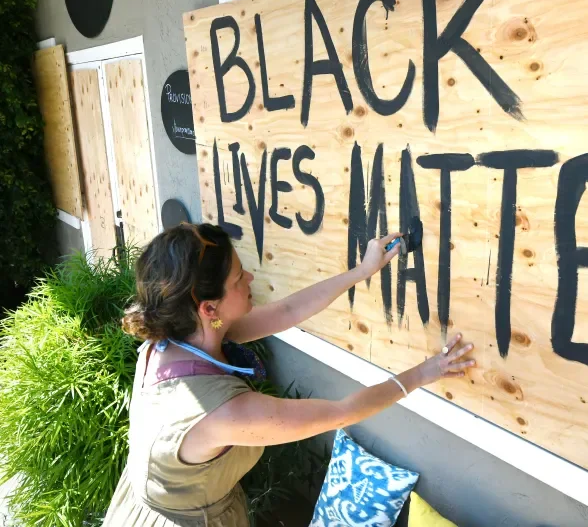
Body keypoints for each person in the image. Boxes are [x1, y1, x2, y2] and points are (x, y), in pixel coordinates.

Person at [104, 223, 475, 527]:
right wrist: (426, 371)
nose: (249, 276)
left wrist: (363, 271)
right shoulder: (223, 413)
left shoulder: (182, 335)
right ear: (208, 306)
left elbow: (287, 311)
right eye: (237, 279)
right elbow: (342, 412)